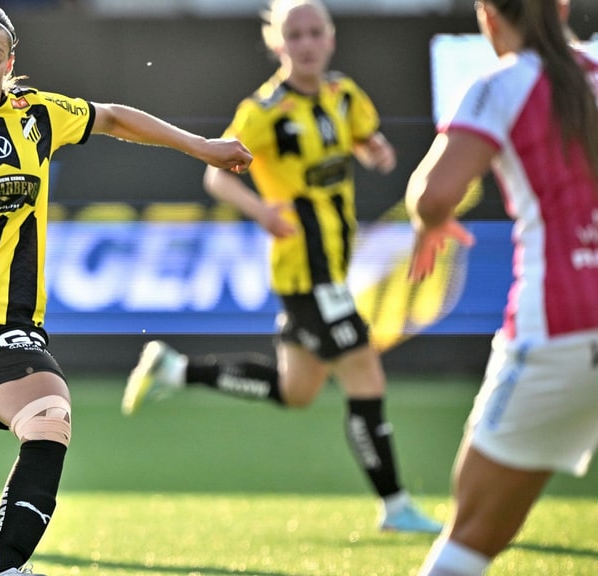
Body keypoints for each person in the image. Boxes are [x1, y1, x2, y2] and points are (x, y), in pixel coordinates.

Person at [0, 4, 251, 575]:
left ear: (10, 63)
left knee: (50, 418)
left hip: (8, 326)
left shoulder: (37, 114)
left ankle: (7, 568)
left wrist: (202, 147)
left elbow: (113, 117)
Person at [121, 0, 442, 534]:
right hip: (305, 271)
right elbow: (217, 175)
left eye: (315, 32)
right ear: (277, 44)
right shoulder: (264, 110)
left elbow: (364, 137)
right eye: (295, 34)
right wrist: (263, 212)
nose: (307, 43)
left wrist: (375, 149)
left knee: (298, 391)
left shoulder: (343, 94)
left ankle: (175, 370)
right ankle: (396, 505)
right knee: (365, 372)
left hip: (333, 264)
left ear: (331, 38)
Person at [407, 1, 598, 574]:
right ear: (562, 7)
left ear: (488, 16)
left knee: (469, 534)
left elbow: (435, 196)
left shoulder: (500, 86)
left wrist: (429, 220)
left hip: (561, 330)